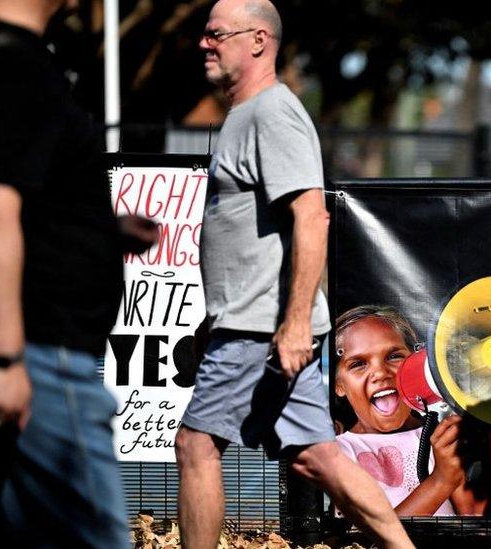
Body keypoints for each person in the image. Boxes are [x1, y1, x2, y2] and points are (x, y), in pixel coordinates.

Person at [173, 2, 413, 548]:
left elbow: (312, 216)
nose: (204, 44)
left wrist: (294, 323)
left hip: (262, 327)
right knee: (318, 457)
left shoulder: (271, 115)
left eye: (216, 35)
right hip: (254, 322)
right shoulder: (246, 115)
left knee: (196, 446)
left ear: (258, 40)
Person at [0, 0, 158, 546]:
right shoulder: (10, 64)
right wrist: (3, 360)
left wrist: (98, 231)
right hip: (40, 358)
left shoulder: (16, 61)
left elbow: (18, 201)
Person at [334, 305, 487, 516]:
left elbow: (477, 525)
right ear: (338, 385)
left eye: (394, 356)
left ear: (415, 363)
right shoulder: (335, 454)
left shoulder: (441, 439)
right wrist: (441, 480)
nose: (380, 373)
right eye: (358, 364)